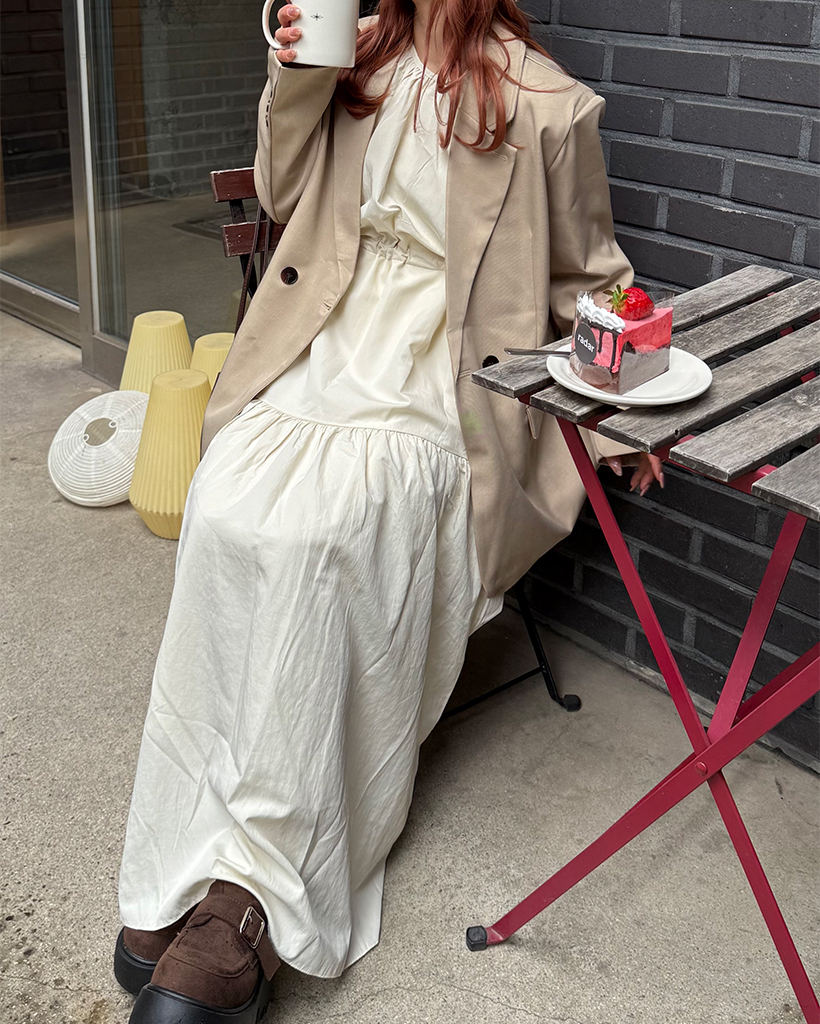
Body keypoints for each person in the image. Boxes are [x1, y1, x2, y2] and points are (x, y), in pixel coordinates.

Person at [115, 1, 663, 1021]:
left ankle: (257, 896)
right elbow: (282, 192)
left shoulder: (546, 102)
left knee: (323, 535)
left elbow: (591, 275)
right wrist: (299, 77)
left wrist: (626, 408)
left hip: (443, 380)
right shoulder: (354, 58)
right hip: (323, 341)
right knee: (228, 503)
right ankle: (186, 846)